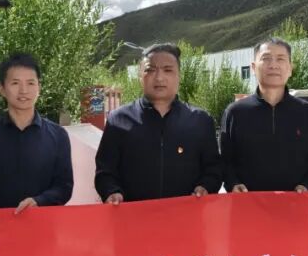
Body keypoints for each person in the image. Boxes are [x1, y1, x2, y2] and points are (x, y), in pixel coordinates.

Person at [95, 42, 222, 203]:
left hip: (187, 214)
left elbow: (213, 169)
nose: (159, 77)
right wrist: (111, 191)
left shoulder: (200, 121)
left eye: (168, 70)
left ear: (179, 76)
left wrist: (205, 186)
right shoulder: (118, 120)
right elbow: (105, 171)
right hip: (133, 216)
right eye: (150, 70)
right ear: (140, 76)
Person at [0, 52, 73, 216]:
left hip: (43, 224)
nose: (24, 90)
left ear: (39, 87)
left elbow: (64, 187)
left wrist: (39, 201)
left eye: (30, 83)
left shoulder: (58, 136)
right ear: (1, 89)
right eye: (15, 83)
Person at [219, 37, 308, 193]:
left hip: (298, 203)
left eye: (280, 59)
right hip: (247, 203)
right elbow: (225, 161)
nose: (273, 65)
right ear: (253, 67)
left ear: (290, 68)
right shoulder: (235, 113)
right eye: (266, 58)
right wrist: (233, 184)